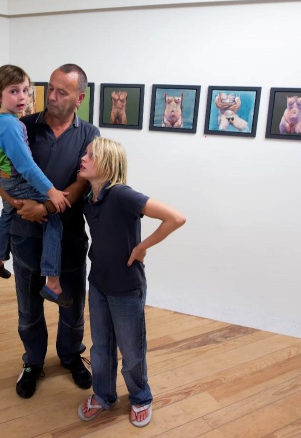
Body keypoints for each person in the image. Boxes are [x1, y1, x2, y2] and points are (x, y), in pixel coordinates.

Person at [2, 64, 100, 399]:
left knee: (71, 309)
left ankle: (71, 357)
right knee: (29, 310)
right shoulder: (23, 126)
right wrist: (14, 203)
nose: (52, 97)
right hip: (26, 234)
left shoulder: (89, 134)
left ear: (80, 98)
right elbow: (0, 170)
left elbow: (82, 182)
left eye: (62, 92)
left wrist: (45, 207)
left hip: (70, 237)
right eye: (50, 89)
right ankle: (32, 363)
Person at [75, 137, 186, 428]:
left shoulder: (123, 195)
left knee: (132, 350)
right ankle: (104, 395)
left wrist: (142, 247)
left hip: (126, 288)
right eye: (84, 153)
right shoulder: (89, 198)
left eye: (90, 155)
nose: (83, 158)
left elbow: (175, 218)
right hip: (98, 283)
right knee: (100, 346)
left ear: (108, 164)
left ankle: (140, 397)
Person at [0, 65, 72, 306]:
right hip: (17, 179)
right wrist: (51, 192)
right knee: (53, 219)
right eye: (13, 91)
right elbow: (27, 166)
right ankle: (52, 283)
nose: (22, 97)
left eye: (24, 90)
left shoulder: (1, 120)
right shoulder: (11, 125)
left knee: (8, 212)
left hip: (6, 178)